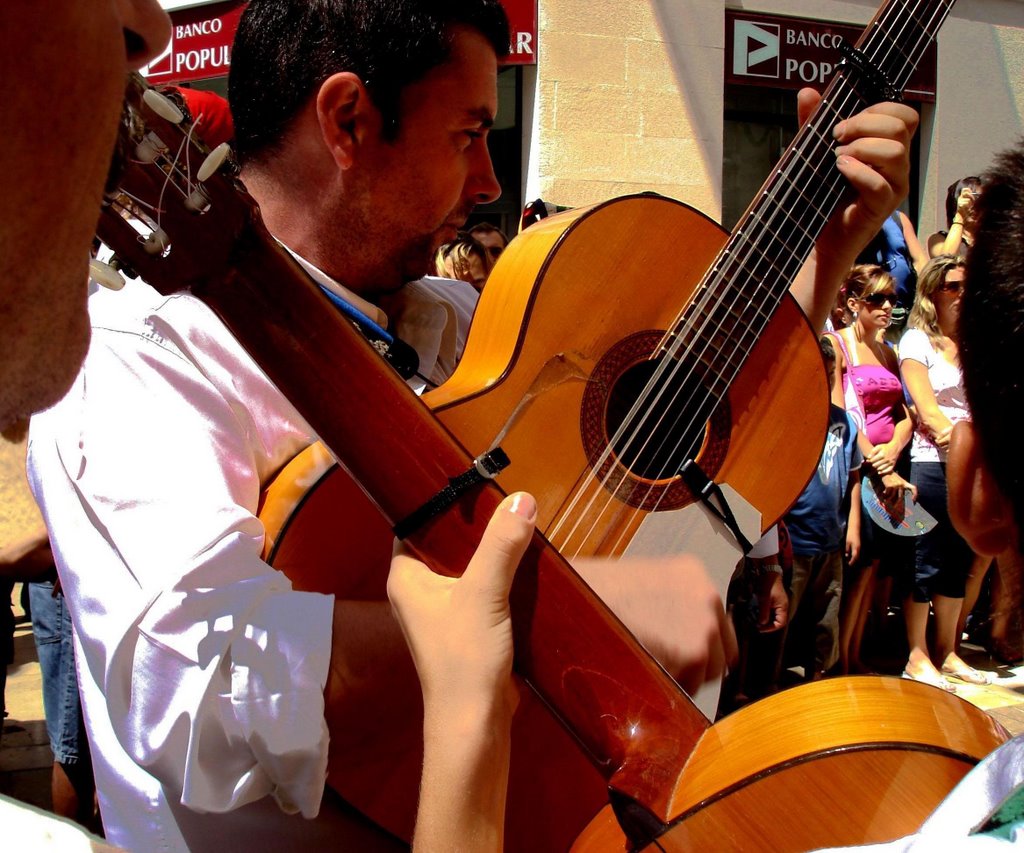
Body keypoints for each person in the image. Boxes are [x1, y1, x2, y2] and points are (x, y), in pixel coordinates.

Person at [26, 1, 917, 848]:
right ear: (347, 122)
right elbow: (193, 687)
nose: (491, 181)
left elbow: (707, 408)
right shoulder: (146, 357)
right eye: (469, 134)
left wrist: (826, 243)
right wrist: (565, 620)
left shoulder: (461, 320)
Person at [898, 255, 990, 688]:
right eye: (953, 286)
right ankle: (916, 655)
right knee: (925, 557)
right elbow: (927, 410)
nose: (962, 294)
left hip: (969, 462)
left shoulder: (975, 343)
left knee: (957, 559)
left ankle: (948, 651)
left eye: (967, 286)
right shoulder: (917, 341)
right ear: (932, 292)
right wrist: (962, 443)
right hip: (932, 461)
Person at [828, 264, 916, 675]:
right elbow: (838, 412)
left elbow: (904, 412)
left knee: (874, 566)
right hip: (854, 471)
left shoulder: (887, 350)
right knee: (854, 562)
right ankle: (837, 661)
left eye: (892, 299)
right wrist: (877, 463)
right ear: (851, 303)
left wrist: (896, 447)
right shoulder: (836, 344)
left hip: (887, 471)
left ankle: (855, 652)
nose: (887, 307)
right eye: (876, 299)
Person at [782, 336, 862, 681]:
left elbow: (854, 476)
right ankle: (763, 684)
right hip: (795, 538)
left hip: (832, 537)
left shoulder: (844, 423)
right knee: (780, 617)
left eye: (833, 372)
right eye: (822, 371)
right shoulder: (788, 419)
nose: (827, 378)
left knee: (827, 616)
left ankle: (820, 678)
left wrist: (854, 525)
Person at [927, 176, 982, 259]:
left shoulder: (992, 240)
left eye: (979, 199)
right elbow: (945, 261)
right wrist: (960, 215)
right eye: (969, 199)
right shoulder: (938, 239)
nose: (974, 205)